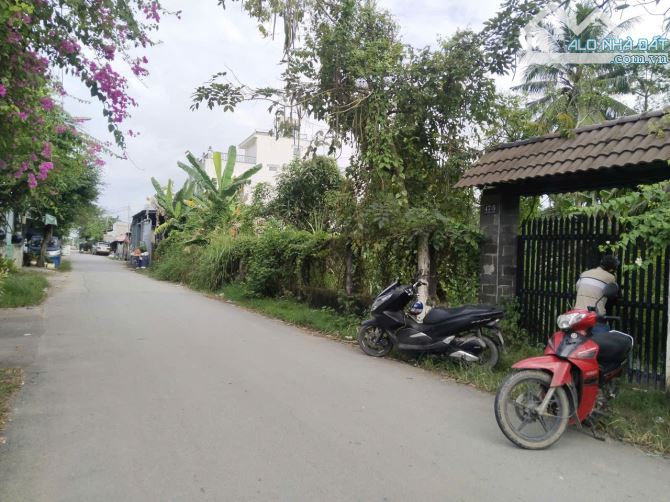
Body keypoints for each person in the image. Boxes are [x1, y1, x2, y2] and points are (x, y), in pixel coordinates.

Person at [575, 254, 619, 334]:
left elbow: (577, 288)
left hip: (577, 314)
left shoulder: (584, 273)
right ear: (612, 269)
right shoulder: (610, 277)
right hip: (594, 315)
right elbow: (613, 295)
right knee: (603, 337)